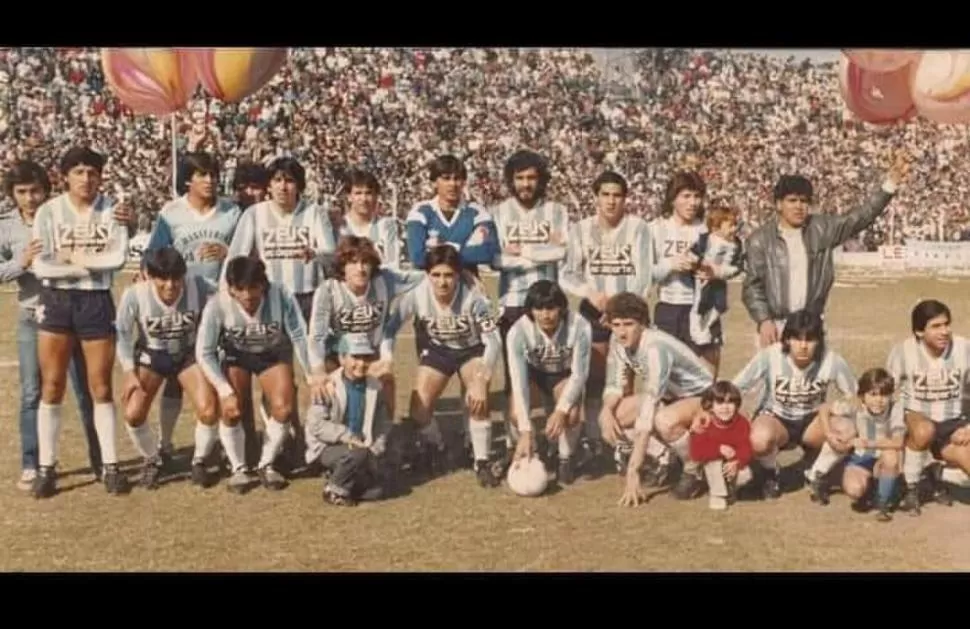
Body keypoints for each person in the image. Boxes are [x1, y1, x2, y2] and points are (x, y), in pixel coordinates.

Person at [221, 156, 336, 471]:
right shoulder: (255, 215)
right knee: (277, 375)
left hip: (309, 300)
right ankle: (285, 441)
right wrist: (227, 299)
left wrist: (318, 255)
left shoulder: (314, 213)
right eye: (277, 180)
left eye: (289, 180)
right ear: (268, 185)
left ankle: (318, 440)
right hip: (267, 304)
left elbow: (332, 256)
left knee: (320, 371)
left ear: (299, 185)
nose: (283, 187)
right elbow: (237, 258)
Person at [29, 146, 131, 498]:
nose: (86, 179)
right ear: (65, 176)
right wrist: (86, 263)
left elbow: (118, 258)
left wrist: (70, 257)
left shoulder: (112, 211)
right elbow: (41, 266)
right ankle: (46, 467)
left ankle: (111, 466)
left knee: (100, 387)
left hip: (95, 300)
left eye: (92, 172)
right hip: (56, 301)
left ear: (100, 176)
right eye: (78, 172)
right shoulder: (49, 211)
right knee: (52, 385)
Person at [0, 160, 106, 490]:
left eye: (35, 191)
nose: (30, 198)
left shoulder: (61, 214)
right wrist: (22, 263)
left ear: (47, 189)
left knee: (86, 390)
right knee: (34, 392)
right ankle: (33, 463)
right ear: (12, 194)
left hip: (72, 311)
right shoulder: (6, 226)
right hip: (33, 316)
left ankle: (101, 459)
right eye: (22, 192)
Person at [742, 152, 909, 348]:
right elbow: (752, 286)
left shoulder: (821, 229)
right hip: (776, 326)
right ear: (778, 204)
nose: (799, 206)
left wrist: (890, 184)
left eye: (804, 201)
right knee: (776, 379)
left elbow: (860, 218)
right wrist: (764, 320)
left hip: (812, 324)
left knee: (816, 379)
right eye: (792, 200)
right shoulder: (760, 240)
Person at [143, 152, 242, 468]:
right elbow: (152, 255)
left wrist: (228, 251)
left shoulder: (232, 212)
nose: (210, 180)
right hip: (183, 304)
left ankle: (220, 445)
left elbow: (246, 253)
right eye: (202, 174)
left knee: (222, 373)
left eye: (212, 173)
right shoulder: (171, 213)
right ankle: (166, 442)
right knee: (176, 375)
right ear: (188, 179)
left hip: (222, 302)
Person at [197, 256, 325, 493]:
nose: (247, 296)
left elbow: (298, 334)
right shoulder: (217, 304)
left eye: (253, 287)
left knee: (284, 408)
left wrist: (311, 376)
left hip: (271, 354)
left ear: (263, 284)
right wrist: (224, 391)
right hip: (236, 356)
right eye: (240, 289)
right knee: (232, 409)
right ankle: (238, 467)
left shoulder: (281, 294)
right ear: (231, 288)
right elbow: (204, 352)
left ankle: (267, 463)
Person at [559, 171, 657, 473]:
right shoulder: (581, 229)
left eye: (617, 195)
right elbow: (568, 273)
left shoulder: (639, 228)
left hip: (630, 314)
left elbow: (643, 275)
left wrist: (621, 310)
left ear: (625, 198)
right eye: (605, 194)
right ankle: (593, 440)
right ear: (596, 197)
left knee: (625, 379)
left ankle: (624, 444)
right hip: (594, 312)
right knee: (595, 378)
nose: (611, 200)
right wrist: (591, 294)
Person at [383, 245, 503, 487]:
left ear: (458, 275)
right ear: (427, 275)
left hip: (471, 351)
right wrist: (386, 357)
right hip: (438, 351)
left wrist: (482, 377)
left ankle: (481, 460)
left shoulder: (475, 298)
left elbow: (493, 340)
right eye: (436, 275)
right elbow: (389, 329)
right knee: (419, 408)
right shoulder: (416, 295)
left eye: (448, 275)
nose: (442, 282)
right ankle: (437, 447)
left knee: (477, 400)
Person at [595, 293, 714, 508]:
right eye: (616, 324)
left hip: (703, 398)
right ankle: (664, 456)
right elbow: (614, 383)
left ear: (643, 324)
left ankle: (693, 467)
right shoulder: (617, 340)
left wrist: (634, 470)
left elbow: (649, 409)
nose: (622, 332)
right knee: (614, 418)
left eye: (629, 324)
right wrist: (606, 410)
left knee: (663, 421)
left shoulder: (655, 348)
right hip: (669, 396)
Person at [115, 247, 220, 490]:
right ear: (149, 276)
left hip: (188, 355)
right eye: (163, 278)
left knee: (208, 410)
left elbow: (228, 297)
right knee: (133, 413)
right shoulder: (135, 294)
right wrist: (129, 372)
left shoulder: (200, 285)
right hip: (152, 356)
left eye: (176, 277)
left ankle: (199, 461)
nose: (171, 285)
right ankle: (153, 459)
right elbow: (121, 332)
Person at [732, 310, 857, 500]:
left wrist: (841, 407)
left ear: (819, 341)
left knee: (847, 430)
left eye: (810, 340)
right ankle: (770, 473)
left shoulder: (832, 361)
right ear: (787, 339)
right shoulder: (770, 356)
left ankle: (816, 474)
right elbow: (737, 386)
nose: (803, 346)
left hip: (812, 421)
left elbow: (854, 395)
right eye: (797, 339)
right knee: (758, 439)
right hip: (777, 418)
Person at [306, 235, 424, 419]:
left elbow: (423, 277)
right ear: (342, 266)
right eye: (353, 262)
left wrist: (463, 273)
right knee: (328, 394)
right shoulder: (328, 290)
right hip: (338, 354)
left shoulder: (386, 280)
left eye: (365, 262)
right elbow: (317, 336)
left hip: (371, 354)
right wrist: (318, 371)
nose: (360, 269)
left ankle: (385, 437)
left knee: (386, 382)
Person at [489, 150, 570, 399]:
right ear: (511, 180)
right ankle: (518, 436)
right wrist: (541, 252)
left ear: (541, 179)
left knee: (554, 373)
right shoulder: (498, 213)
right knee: (516, 377)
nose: (526, 183)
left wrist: (522, 252)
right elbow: (494, 259)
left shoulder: (557, 211)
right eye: (520, 177)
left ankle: (554, 433)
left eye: (531, 177)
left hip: (549, 304)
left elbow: (562, 252)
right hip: (511, 303)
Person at [888, 299, 970, 515]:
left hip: (953, 424)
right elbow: (886, 393)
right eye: (936, 326)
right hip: (918, 418)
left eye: (946, 324)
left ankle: (936, 472)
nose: (944, 331)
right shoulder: (903, 351)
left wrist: (968, 427)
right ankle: (911, 487)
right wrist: (892, 433)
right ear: (919, 331)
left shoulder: (964, 348)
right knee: (925, 430)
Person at [505, 280, 592, 485]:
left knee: (570, 415)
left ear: (561, 307)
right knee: (517, 414)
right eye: (539, 308)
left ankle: (565, 458)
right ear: (530, 310)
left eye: (551, 308)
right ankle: (530, 451)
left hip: (564, 375)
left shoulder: (579, 325)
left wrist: (561, 410)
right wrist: (525, 430)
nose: (546, 314)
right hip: (535, 376)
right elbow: (518, 381)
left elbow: (580, 374)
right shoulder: (517, 332)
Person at [304, 333, 398, 506]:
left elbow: (382, 421)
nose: (361, 364)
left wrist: (377, 446)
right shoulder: (326, 385)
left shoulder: (375, 386)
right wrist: (346, 435)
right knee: (357, 454)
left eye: (366, 358)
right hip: (328, 446)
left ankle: (343, 477)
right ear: (342, 358)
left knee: (377, 491)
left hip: (362, 447)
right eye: (355, 357)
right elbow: (315, 425)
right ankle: (333, 489)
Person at [806, 368, 904, 521]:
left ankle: (883, 504)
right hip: (860, 459)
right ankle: (826, 473)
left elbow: (898, 442)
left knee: (890, 455)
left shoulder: (895, 408)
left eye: (884, 395)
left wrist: (867, 443)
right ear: (862, 396)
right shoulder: (856, 405)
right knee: (855, 490)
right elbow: (824, 408)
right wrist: (828, 433)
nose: (879, 400)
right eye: (873, 394)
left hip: (881, 460)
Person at [648, 171, 715, 366]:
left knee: (704, 378)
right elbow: (644, 275)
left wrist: (707, 271)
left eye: (697, 196)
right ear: (672, 199)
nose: (693, 202)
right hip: (668, 308)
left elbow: (727, 270)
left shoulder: (706, 230)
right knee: (668, 377)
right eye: (686, 196)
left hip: (702, 309)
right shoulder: (656, 229)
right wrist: (671, 264)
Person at [405, 154, 499, 277]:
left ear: (463, 182)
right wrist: (464, 250)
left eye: (457, 178)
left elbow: (489, 253)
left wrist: (443, 249)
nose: (452, 184)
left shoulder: (477, 212)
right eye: (446, 178)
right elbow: (417, 257)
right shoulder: (420, 212)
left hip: (467, 287)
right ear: (434, 182)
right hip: (430, 288)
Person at [687, 205, 744, 368]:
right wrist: (696, 264)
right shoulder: (707, 239)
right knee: (700, 304)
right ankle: (698, 330)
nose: (734, 229)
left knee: (720, 306)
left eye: (735, 225)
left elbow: (737, 267)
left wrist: (720, 272)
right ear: (715, 227)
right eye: (730, 226)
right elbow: (693, 254)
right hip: (702, 280)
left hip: (718, 281)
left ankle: (707, 327)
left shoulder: (736, 244)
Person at [688, 381, 754, 511]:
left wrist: (737, 462)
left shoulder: (741, 423)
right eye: (720, 403)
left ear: (736, 405)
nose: (725, 408)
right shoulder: (704, 423)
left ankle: (730, 491)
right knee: (713, 462)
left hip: (730, 464)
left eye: (730, 402)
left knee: (746, 474)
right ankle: (717, 495)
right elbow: (696, 452)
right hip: (706, 467)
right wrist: (719, 449)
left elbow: (746, 448)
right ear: (711, 406)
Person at [333, 169, 400, 269]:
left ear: (376, 196)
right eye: (358, 193)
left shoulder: (386, 226)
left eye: (368, 193)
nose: (363, 199)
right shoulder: (338, 227)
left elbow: (393, 265)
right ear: (349, 197)